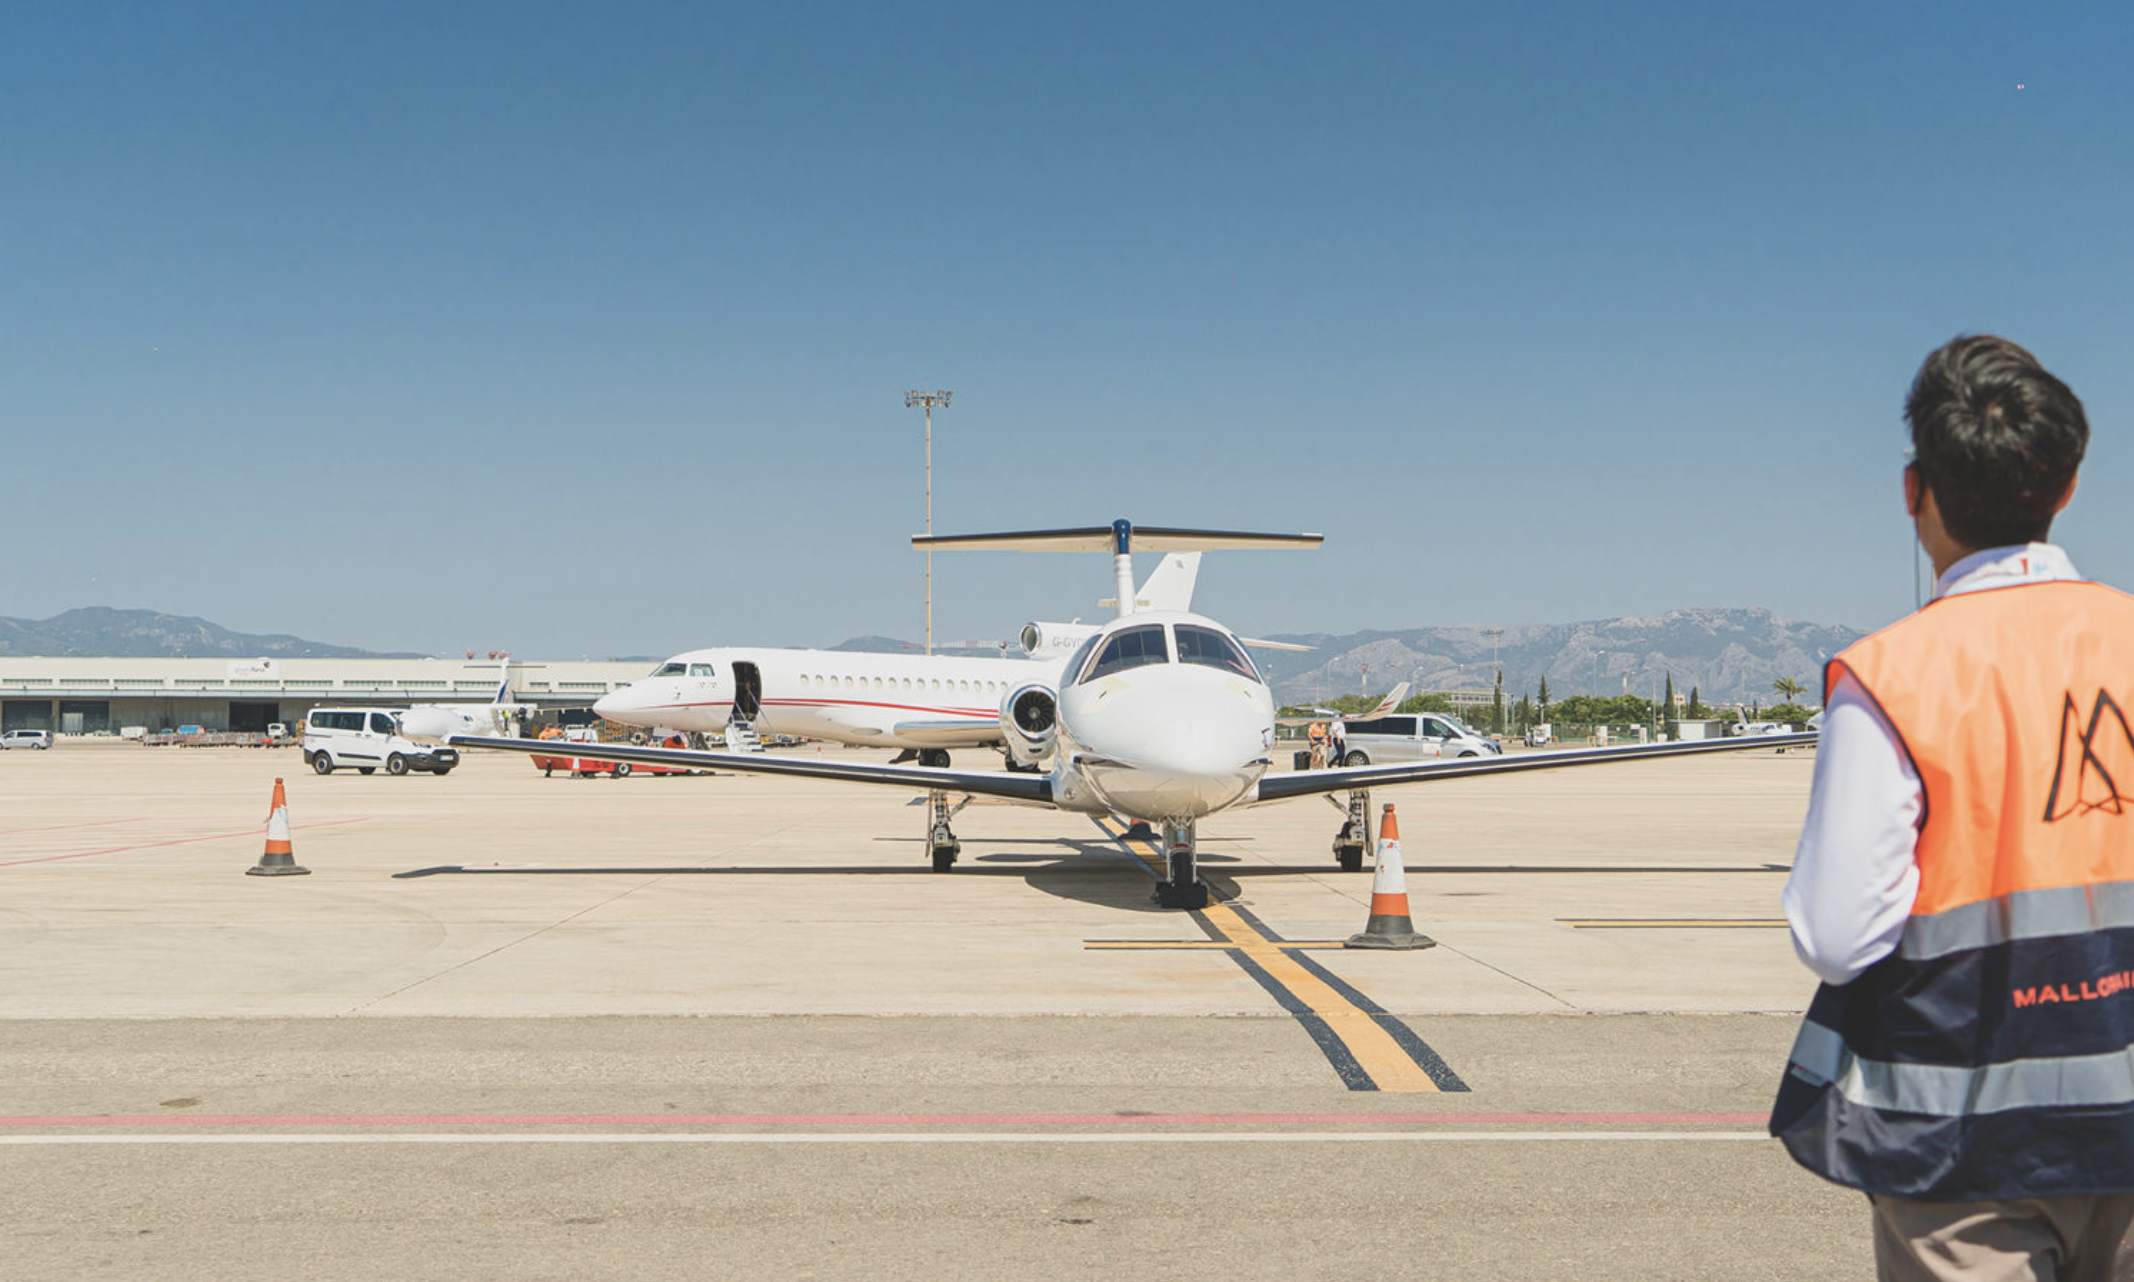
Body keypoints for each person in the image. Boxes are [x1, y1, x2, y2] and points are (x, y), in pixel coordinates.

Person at [1771, 335, 2134, 1280]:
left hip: (1963, 1139)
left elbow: (1836, 936)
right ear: (2069, 485)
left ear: (1913, 490)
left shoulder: (1891, 675)